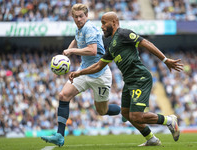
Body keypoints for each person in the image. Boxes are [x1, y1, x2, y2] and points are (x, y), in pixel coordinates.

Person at [69, 12, 184, 146]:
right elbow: (99, 65)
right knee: (126, 113)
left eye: (104, 23)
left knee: (136, 116)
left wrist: (165, 60)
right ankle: (151, 139)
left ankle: (169, 120)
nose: (102, 27)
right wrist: (79, 73)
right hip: (129, 81)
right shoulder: (112, 46)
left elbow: (145, 43)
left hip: (140, 77)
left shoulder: (123, 34)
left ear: (113, 22)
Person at [41, 4, 121, 147]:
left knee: (102, 111)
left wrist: (72, 51)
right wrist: (68, 49)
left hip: (100, 74)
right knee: (63, 95)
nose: (78, 19)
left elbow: (92, 51)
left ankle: (124, 111)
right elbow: (77, 39)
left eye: (81, 16)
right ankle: (59, 135)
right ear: (72, 17)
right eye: (76, 17)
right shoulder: (79, 29)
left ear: (86, 16)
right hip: (84, 71)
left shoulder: (89, 28)